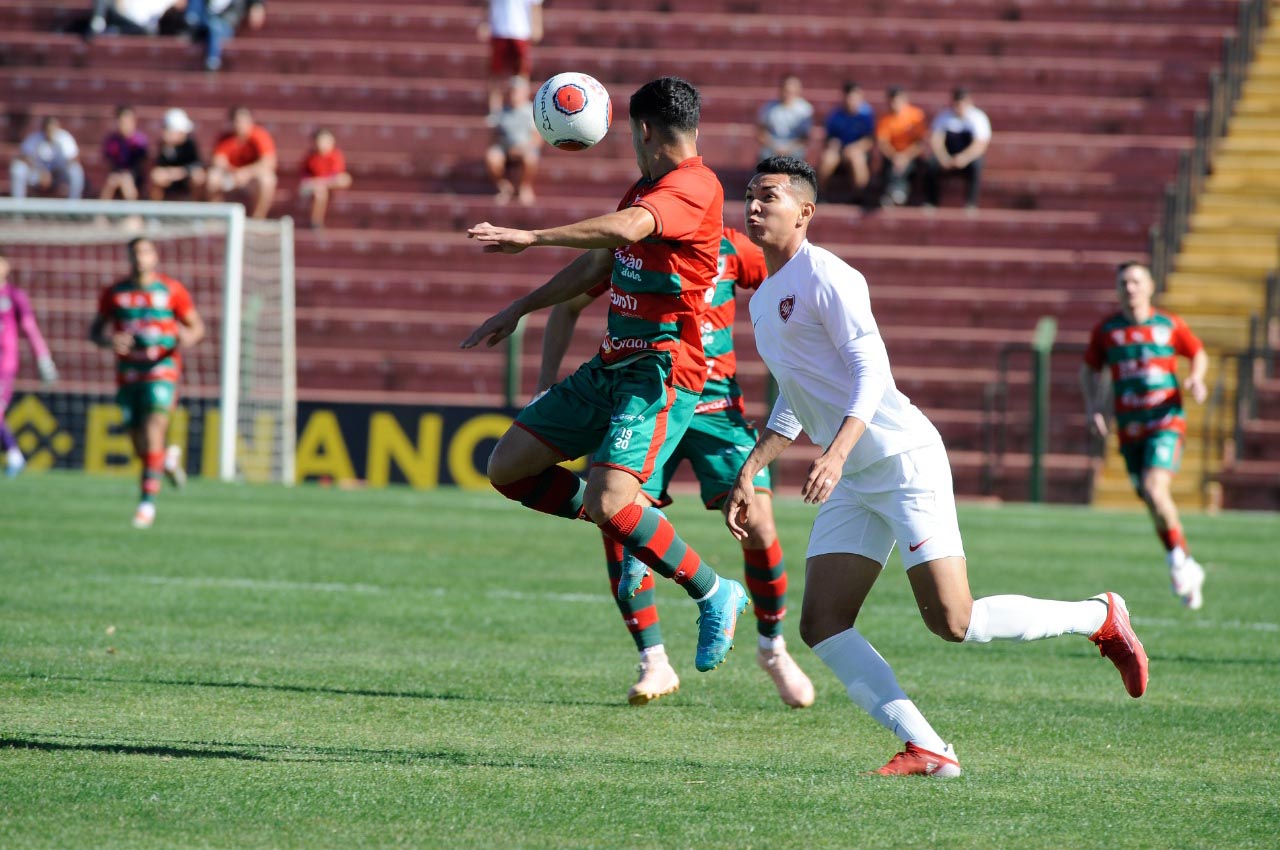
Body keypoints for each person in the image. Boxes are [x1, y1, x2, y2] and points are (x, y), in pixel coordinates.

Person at [727, 156, 1149, 777]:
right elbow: (798, 392)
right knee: (822, 622)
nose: (754, 207)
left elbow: (873, 374)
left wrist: (837, 454)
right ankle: (928, 747)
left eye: (769, 197)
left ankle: (1100, 616)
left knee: (955, 621)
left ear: (806, 211)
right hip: (854, 478)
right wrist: (752, 466)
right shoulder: (764, 300)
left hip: (901, 460)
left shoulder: (832, 277)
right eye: (749, 196)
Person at [461, 77, 750, 675]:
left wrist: (531, 236)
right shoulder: (645, 187)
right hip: (613, 364)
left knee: (610, 499)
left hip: (662, 370)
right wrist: (521, 307)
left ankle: (713, 590)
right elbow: (597, 263)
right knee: (508, 467)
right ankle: (639, 525)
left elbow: (626, 230)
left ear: (643, 131)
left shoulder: (694, 186)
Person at [536, 226, 814, 707]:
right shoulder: (634, 249)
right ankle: (654, 661)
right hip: (649, 399)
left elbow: (790, 286)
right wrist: (544, 387)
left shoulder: (732, 248)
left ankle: (772, 648)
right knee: (619, 518)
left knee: (761, 525)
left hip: (716, 411)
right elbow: (568, 305)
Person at [1080, 262, 1209, 609]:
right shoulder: (1107, 331)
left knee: (1155, 488)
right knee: (1151, 499)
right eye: (1124, 282)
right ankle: (1184, 560)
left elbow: (1196, 351)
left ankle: (1178, 563)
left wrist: (1196, 378)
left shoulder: (1168, 325)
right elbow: (1089, 369)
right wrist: (1094, 405)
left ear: (1150, 286)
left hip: (1165, 422)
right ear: (1118, 289)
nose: (1131, 287)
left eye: (1137, 280)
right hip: (1129, 428)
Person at [89, 237, 205, 528]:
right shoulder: (115, 293)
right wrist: (110, 341)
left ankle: (146, 506)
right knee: (139, 443)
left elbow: (196, 328)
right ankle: (166, 461)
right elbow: (95, 332)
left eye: (145, 251)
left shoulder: (171, 290)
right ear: (129, 257)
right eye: (136, 252)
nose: (141, 257)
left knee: (154, 428)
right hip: (129, 373)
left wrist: (183, 338)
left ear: (155, 256)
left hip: (162, 369)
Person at [0, 253, 58, 477]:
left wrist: (43, 359)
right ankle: (15, 455)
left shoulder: (14, 296)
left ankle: (15, 456)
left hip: (4, 365)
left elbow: (30, 329)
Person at [924, 88, 991, 210]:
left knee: (977, 164)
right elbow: (936, 139)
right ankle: (931, 201)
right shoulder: (944, 117)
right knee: (931, 164)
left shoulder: (977, 117)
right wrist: (943, 157)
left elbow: (980, 144)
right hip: (948, 155)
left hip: (967, 157)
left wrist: (965, 157)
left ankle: (971, 203)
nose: (960, 106)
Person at [207, 105, 277, 219]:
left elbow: (268, 162)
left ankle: (258, 218)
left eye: (244, 121)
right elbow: (218, 161)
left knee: (267, 180)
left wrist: (246, 173)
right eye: (238, 121)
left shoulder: (259, 135)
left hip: (251, 179)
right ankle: (215, 217)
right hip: (230, 177)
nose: (241, 124)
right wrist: (234, 172)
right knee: (213, 177)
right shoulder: (225, 137)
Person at [478, 0, 543, 116]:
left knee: (522, 71)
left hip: (521, 31)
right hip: (499, 30)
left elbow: (535, 5)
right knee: (496, 72)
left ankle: (522, 106)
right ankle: (495, 109)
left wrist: (537, 25)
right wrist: (485, 22)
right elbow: (488, 4)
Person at [484, 76, 540, 207]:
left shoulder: (531, 111)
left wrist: (523, 148)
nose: (514, 94)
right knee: (491, 157)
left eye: (517, 91)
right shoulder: (502, 111)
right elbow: (495, 134)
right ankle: (503, 186)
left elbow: (537, 138)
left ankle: (525, 187)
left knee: (531, 158)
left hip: (524, 148)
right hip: (504, 147)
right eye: (512, 91)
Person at [817, 82, 875, 204]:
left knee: (857, 158)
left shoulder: (866, 115)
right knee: (828, 158)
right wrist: (833, 144)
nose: (851, 101)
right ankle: (819, 193)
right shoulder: (836, 115)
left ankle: (860, 194)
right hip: (839, 152)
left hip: (857, 152)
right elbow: (829, 138)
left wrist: (856, 147)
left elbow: (870, 140)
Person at [875, 86, 928, 207]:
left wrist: (905, 156)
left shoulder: (916, 116)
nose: (895, 104)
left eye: (897, 100)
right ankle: (895, 192)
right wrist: (896, 157)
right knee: (891, 166)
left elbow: (921, 142)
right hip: (893, 156)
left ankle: (897, 191)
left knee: (906, 166)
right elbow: (883, 143)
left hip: (912, 156)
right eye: (892, 101)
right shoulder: (885, 119)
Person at [9, 117, 85, 201]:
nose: (50, 132)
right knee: (18, 169)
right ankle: (17, 206)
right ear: (43, 129)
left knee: (75, 170)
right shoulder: (34, 138)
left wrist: (53, 173)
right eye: (48, 129)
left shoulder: (64, 138)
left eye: (53, 129)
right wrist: (42, 172)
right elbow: (23, 157)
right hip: (37, 174)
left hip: (59, 175)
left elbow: (73, 158)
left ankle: (74, 206)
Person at [184, 0, 267, 72]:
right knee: (209, 24)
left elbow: (256, 9)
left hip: (224, 23)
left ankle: (212, 62)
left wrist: (257, 5)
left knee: (215, 27)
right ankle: (191, 21)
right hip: (205, 20)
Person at [298, 128, 352, 229]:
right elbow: (305, 180)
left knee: (345, 179)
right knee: (320, 192)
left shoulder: (335, 155)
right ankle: (316, 222)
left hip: (325, 183)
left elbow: (337, 174)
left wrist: (321, 182)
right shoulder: (311, 157)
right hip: (312, 186)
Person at [149, 108, 206, 201]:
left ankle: (195, 208)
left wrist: (178, 173)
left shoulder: (190, 144)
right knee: (157, 177)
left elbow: (196, 166)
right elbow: (158, 168)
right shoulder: (163, 146)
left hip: (185, 179)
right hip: (169, 180)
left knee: (198, 177)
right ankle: (156, 210)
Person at [757, 74, 813, 162]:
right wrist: (774, 146)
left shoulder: (805, 109)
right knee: (763, 156)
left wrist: (789, 148)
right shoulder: (768, 107)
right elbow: (761, 132)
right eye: (786, 90)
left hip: (794, 148)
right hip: (772, 147)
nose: (788, 94)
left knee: (798, 158)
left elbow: (804, 137)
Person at [100, 104, 149, 202]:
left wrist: (127, 174)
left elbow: (141, 164)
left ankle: (133, 214)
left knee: (126, 181)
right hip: (117, 173)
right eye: (122, 122)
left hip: (135, 176)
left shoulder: (139, 141)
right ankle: (101, 214)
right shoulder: (112, 140)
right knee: (112, 181)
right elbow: (111, 162)